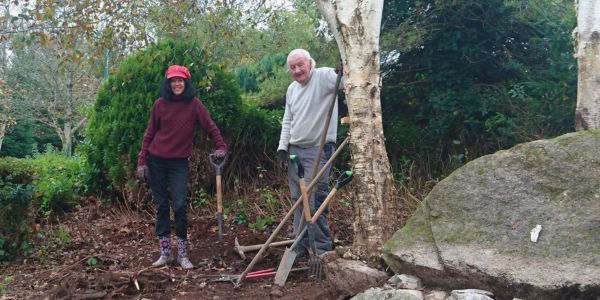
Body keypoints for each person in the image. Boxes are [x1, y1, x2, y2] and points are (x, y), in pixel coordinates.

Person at [137, 65, 227, 269]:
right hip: (157, 160)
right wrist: (142, 160)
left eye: (181, 81)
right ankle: (166, 253)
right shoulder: (160, 105)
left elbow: (210, 126)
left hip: (179, 162)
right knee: (161, 206)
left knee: (179, 205)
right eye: (173, 81)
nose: (177, 84)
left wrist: (220, 146)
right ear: (168, 83)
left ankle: (183, 254)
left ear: (186, 83)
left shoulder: (194, 105)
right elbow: (149, 133)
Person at [277, 49, 342, 256]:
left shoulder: (323, 76)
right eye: (293, 67)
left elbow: (346, 84)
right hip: (295, 149)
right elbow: (288, 119)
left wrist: (345, 71)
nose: (297, 70)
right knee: (298, 199)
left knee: (316, 198)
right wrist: (282, 146)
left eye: (300, 65)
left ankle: (321, 248)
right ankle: (301, 245)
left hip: (319, 148)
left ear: (310, 63)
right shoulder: (291, 89)